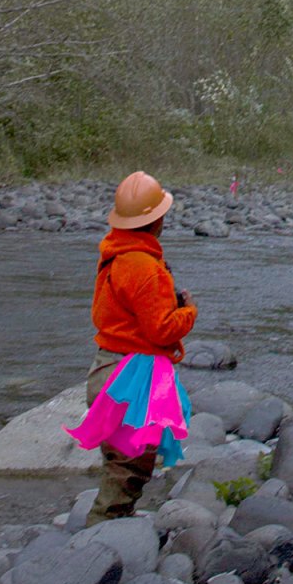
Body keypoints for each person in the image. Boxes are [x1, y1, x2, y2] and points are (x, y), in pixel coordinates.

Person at [81, 171, 198, 525]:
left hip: (105, 368)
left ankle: (109, 528)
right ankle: (98, 538)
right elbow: (161, 330)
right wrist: (188, 312)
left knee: (119, 462)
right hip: (133, 377)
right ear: (156, 219)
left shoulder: (114, 255)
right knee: (131, 466)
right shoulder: (145, 266)